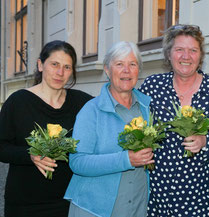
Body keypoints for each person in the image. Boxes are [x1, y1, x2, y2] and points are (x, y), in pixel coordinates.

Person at [139, 24, 209, 216]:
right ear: (169, 54)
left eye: (193, 50)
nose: (186, 56)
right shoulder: (152, 86)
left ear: (200, 56)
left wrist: (206, 141)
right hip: (159, 194)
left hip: (203, 195)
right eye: (179, 50)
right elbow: (138, 128)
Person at [0, 40, 93, 217]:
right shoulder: (18, 102)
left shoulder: (83, 103)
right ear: (40, 65)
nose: (60, 73)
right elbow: (2, 147)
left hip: (70, 202)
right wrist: (30, 155)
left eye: (67, 67)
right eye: (54, 64)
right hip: (25, 204)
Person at [64, 41, 153, 217]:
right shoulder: (91, 111)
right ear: (107, 69)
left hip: (137, 207)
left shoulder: (146, 108)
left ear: (139, 70)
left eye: (132, 64)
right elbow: (78, 162)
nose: (126, 70)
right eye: (119, 64)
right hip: (94, 209)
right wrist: (126, 159)